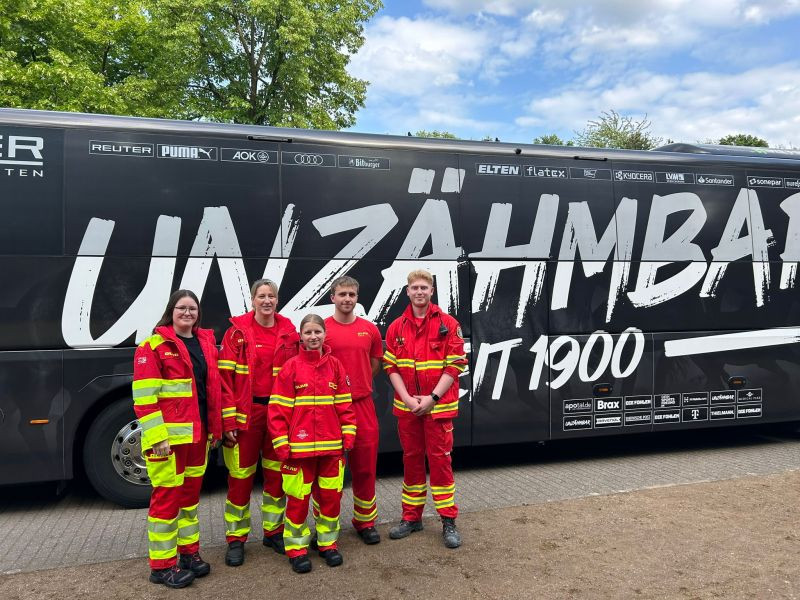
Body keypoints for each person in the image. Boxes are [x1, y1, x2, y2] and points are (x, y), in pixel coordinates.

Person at [132, 289, 221, 588]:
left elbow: (212, 391)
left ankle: (188, 553)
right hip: (167, 441)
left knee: (189, 500)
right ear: (171, 311)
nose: (187, 313)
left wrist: (215, 429)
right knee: (167, 500)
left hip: (197, 436)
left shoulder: (205, 343)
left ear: (198, 313)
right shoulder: (152, 346)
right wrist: (158, 437)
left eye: (192, 308)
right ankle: (162, 566)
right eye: (182, 308)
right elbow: (144, 398)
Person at [383, 269, 467, 549]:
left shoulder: (448, 323)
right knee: (411, 460)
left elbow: (455, 365)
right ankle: (412, 518)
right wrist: (408, 399)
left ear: (432, 291)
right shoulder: (396, 327)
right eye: (414, 288)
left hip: (438, 408)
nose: (419, 292)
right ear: (407, 292)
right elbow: (391, 367)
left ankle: (448, 520)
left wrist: (432, 398)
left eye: (424, 287)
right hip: (408, 408)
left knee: (441, 463)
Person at [218, 279, 299, 567]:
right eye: (261, 296)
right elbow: (224, 380)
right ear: (252, 300)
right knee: (240, 478)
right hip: (246, 415)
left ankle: (273, 532)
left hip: (278, 414)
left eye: (271, 296)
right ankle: (236, 538)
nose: (267, 300)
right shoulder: (237, 332)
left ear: (277, 300)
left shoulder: (289, 332)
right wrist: (228, 419)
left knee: (277, 476)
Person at [268, 314, 357, 574]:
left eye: (317, 331)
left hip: (331, 450)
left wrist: (348, 436)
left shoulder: (336, 366)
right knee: (297, 501)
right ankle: (296, 550)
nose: (313, 336)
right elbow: (278, 411)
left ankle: (327, 544)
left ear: (324, 334)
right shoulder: (291, 367)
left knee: (330, 499)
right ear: (301, 336)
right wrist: (282, 445)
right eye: (308, 332)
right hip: (299, 451)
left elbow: (345, 406)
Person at [324, 276, 383, 544]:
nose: (347, 299)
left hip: (362, 405)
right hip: (330, 409)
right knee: (329, 472)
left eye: (351, 294)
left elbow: (375, 364)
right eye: (342, 294)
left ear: (357, 298)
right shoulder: (322, 329)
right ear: (332, 297)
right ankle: (327, 525)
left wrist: (357, 384)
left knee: (365, 468)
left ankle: (365, 522)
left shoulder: (370, 330)